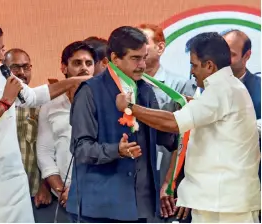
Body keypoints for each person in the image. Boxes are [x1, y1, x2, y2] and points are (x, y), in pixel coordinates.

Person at [115, 32, 261, 223]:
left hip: (224, 204)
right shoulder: (228, 87)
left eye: (194, 64)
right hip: (220, 200)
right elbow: (204, 112)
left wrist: (130, 108)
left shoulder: (221, 90)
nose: (191, 71)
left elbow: (173, 123)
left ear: (209, 65)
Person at [0, 21, 90, 223]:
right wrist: (4, 103)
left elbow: (32, 97)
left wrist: (74, 81)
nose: (1, 57)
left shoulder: (2, 74)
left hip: (15, 184)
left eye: (2, 49)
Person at [66, 26, 176, 223]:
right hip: (99, 209)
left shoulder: (145, 91)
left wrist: (180, 125)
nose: (143, 65)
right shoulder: (90, 92)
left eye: (144, 57)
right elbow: (80, 148)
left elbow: (160, 137)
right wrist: (116, 149)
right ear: (115, 58)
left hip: (141, 206)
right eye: (135, 58)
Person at [137, 23, 195, 222]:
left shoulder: (180, 86)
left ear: (160, 48)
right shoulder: (126, 86)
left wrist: (170, 183)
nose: (138, 48)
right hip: (134, 180)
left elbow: (185, 137)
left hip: (167, 178)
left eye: (143, 42)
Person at [37, 41, 96, 222]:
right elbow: (44, 152)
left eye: (89, 63)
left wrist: (81, 190)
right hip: (62, 199)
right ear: (64, 67)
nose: (84, 68)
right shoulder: (50, 105)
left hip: (97, 195)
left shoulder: (105, 104)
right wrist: (62, 190)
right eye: (77, 63)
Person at [4, 48, 53, 222]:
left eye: (26, 67)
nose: (22, 73)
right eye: (15, 67)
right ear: (3, 69)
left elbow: (48, 149)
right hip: (2, 195)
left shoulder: (42, 105)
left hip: (36, 195)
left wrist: (45, 184)